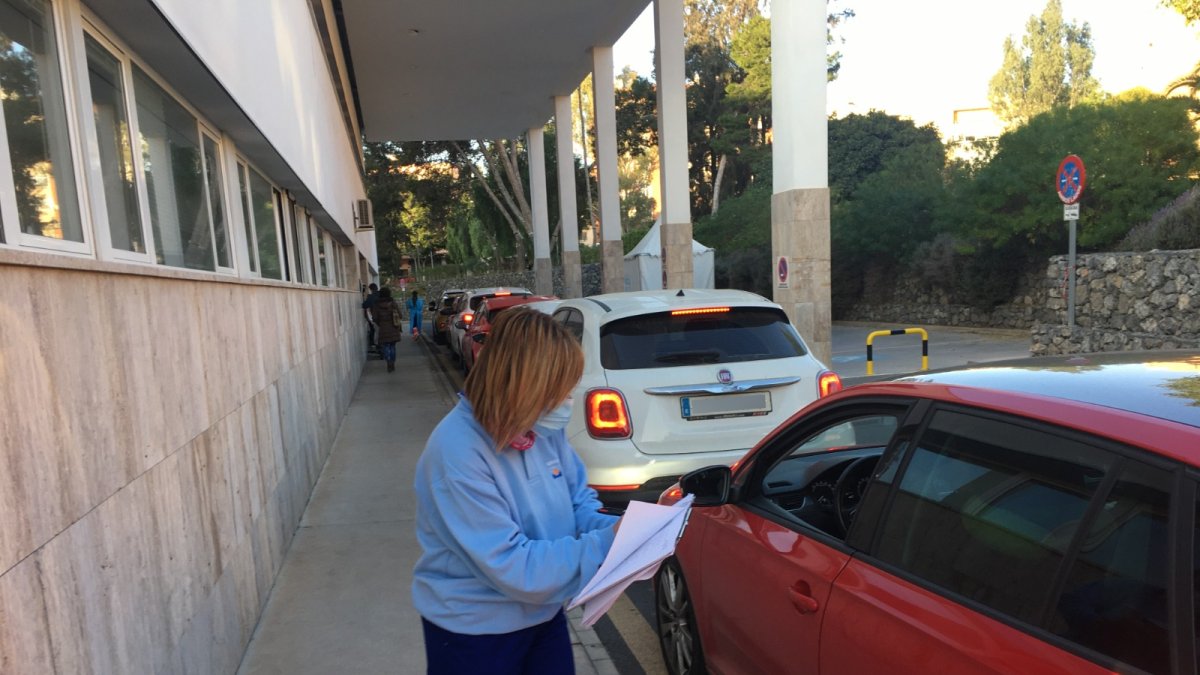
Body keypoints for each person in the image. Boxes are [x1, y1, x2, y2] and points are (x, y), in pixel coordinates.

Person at [412, 309, 619, 675]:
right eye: (559, 391)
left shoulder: (541, 430)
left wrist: (628, 532)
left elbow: (579, 504)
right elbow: (515, 568)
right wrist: (607, 546)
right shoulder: (457, 452)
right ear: (523, 387)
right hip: (474, 634)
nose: (568, 401)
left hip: (543, 615)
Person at [369, 287, 403, 372]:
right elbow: (400, 314)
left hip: (383, 328)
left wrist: (380, 323)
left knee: (386, 346)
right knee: (392, 346)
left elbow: (375, 317)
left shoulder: (377, 304)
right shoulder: (393, 303)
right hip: (393, 327)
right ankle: (392, 362)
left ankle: (388, 360)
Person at [361, 282, 379, 354]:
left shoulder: (371, 297)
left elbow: (364, 305)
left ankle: (375, 345)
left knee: (374, 331)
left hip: (376, 318)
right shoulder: (382, 295)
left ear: (371, 289)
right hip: (385, 319)